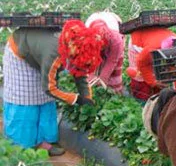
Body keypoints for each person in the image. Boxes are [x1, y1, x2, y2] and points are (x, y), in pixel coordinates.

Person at [2, 20, 106, 156]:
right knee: (25, 102)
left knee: (43, 99)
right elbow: (50, 88)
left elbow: (80, 71)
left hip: (38, 55)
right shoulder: (54, 54)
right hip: (20, 55)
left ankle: (41, 143)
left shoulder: (76, 46)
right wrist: (75, 99)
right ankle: (20, 149)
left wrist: (87, 97)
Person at [126, 27, 176, 101]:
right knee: (140, 76)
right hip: (138, 40)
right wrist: (153, 82)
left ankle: (157, 93)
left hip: (154, 39)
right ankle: (140, 99)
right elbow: (142, 64)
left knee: (159, 72)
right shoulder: (151, 49)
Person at [85, 12, 125, 94]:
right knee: (92, 74)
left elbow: (112, 61)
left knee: (114, 73)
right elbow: (89, 60)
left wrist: (103, 79)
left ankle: (116, 92)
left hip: (113, 35)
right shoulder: (85, 39)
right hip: (91, 44)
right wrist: (91, 78)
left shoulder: (116, 39)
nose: (101, 48)